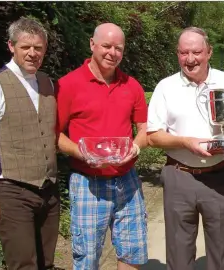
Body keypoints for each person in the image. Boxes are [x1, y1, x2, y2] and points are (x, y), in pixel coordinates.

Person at [147, 27, 224, 270]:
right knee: (179, 254)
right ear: (177, 54)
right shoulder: (166, 87)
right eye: (184, 52)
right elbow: (153, 136)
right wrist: (186, 142)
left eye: (196, 51)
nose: (190, 59)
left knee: (219, 253)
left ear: (209, 52)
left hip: (219, 176)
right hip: (179, 177)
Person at [0, 17, 60, 269]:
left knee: (46, 263)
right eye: (25, 47)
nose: (32, 53)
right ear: (11, 46)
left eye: (38, 48)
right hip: (13, 190)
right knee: (22, 264)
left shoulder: (48, 83)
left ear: (44, 50)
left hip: (49, 191)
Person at [56, 23, 149, 270]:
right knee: (86, 256)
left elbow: (144, 129)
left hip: (126, 179)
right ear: (92, 44)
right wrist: (81, 153)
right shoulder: (68, 84)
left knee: (132, 251)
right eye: (106, 46)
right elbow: (55, 134)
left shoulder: (132, 85)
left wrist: (136, 148)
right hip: (88, 181)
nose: (112, 52)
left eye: (118, 48)